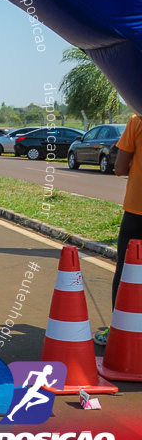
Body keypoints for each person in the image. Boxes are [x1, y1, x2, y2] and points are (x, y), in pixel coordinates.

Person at [96, 113, 142, 345]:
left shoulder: (137, 120)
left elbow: (120, 168)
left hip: (137, 210)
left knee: (126, 273)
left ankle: (119, 331)